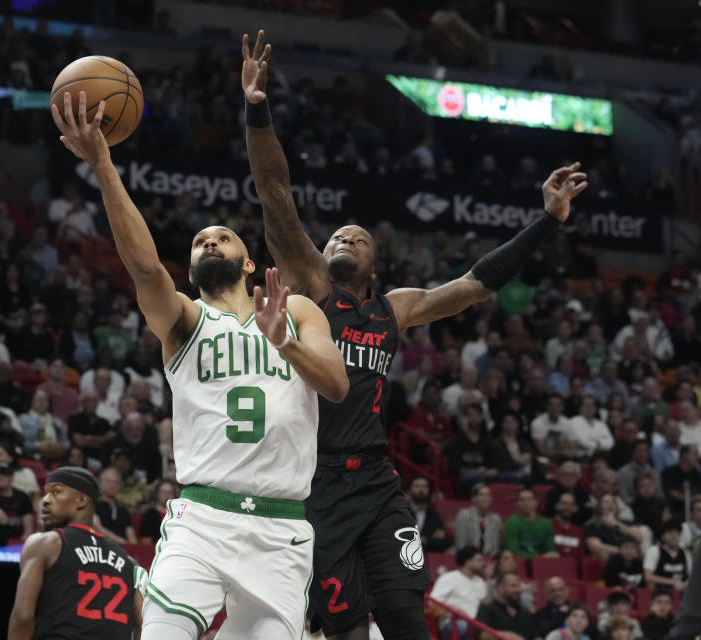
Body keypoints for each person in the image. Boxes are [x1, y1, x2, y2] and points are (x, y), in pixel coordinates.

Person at [243, 27, 587, 640]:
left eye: (358, 236)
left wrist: (545, 222)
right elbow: (275, 195)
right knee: (344, 629)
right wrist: (257, 109)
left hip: (377, 478)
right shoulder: (314, 289)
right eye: (336, 236)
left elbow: (477, 284)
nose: (343, 237)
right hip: (314, 480)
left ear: (375, 262)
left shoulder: (395, 308)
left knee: (407, 615)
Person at [53, 82, 348, 640]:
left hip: (281, 527)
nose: (210, 243)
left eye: (223, 237)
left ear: (249, 260)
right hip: (203, 516)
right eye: (199, 243)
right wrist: (103, 165)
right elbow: (143, 270)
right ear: (189, 271)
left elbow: (336, 387)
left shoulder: (300, 310)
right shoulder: (184, 320)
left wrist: (285, 342)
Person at [7, 467, 143, 640]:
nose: (45, 500)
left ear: (81, 500)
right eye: (45, 493)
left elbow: (23, 617)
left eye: (56, 492)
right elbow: (144, 627)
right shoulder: (128, 562)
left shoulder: (45, 544)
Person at [428, 546, 486, 639]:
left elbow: (485, 604)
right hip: (453, 623)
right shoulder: (448, 578)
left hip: (478, 623)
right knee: (466, 627)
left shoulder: (480, 582)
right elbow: (432, 603)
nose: (483, 563)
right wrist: (455, 611)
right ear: (468, 561)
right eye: (478, 560)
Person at [475, 572, 535, 640]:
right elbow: (481, 634)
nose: (518, 590)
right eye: (513, 586)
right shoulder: (487, 608)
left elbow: (535, 635)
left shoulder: (525, 612)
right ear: (500, 588)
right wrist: (509, 637)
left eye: (519, 586)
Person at [503, 487, 558, 559]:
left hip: (542, 563)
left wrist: (550, 555)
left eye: (530, 499)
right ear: (517, 504)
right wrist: (537, 558)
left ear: (536, 502)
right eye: (522, 500)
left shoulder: (546, 523)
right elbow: (513, 551)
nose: (526, 503)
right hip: (519, 563)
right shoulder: (511, 522)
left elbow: (550, 548)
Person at [454, 483, 503, 556]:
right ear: (474, 499)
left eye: (488, 495)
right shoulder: (463, 515)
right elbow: (461, 544)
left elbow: (495, 548)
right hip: (467, 558)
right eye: (482, 495)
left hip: (489, 559)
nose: (485, 498)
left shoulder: (495, 519)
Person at [94, 466, 137, 545]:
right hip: (100, 546)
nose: (112, 485)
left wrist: (133, 547)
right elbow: (97, 528)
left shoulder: (123, 509)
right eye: (108, 481)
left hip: (122, 551)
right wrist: (123, 542)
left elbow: (131, 535)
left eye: (116, 482)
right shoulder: (93, 504)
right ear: (99, 483)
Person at [644, 519, 691, 590]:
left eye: (677, 533)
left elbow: (691, 575)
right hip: (660, 593)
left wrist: (685, 584)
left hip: (681, 593)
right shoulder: (654, 550)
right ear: (662, 536)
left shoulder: (685, 553)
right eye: (670, 533)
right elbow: (648, 576)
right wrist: (672, 582)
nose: (674, 536)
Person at [407, 475, 447, 552]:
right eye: (417, 486)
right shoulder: (402, 513)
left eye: (425, 487)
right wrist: (427, 540)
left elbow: (441, 543)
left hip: (427, 558)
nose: (421, 490)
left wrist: (416, 542)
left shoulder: (435, 516)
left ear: (429, 491)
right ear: (409, 490)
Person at [551, 492, 586, 561]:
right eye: (564, 503)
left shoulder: (578, 532)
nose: (567, 507)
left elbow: (581, 557)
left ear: (575, 508)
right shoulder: (548, 525)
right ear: (557, 505)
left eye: (571, 504)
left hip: (572, 569)